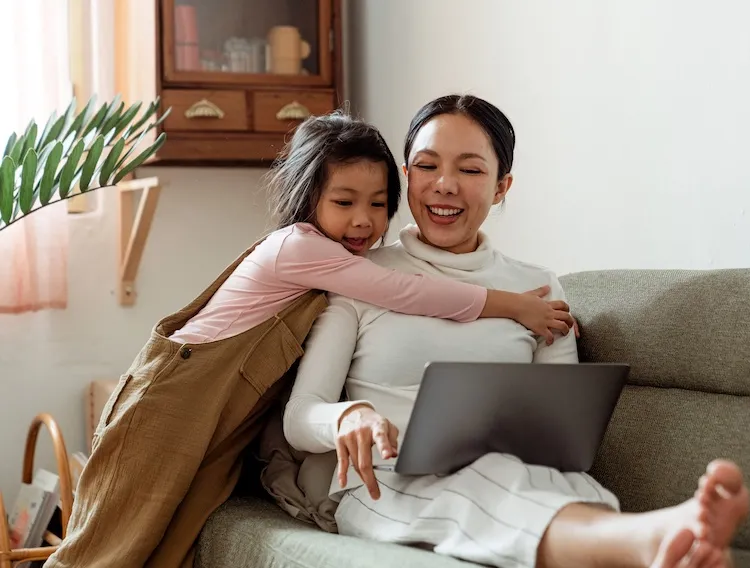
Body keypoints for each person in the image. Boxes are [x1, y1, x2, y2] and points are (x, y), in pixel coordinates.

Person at [45, 113, 577, 568]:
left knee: (174, 538)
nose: (363, 221)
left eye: (376, 203)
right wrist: (515, 306)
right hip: (178, 395)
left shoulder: (336, 261)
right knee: (110, 541)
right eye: (344, 202)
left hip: (230, 409)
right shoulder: (299, 248)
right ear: (308, 197)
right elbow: (406, 290)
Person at [283, 95, 750, 568]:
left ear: (502, 186)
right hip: (386, 483)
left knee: (553, 489)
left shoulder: (538, 290)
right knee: (488, 492)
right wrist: (346, 419)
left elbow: (561, 439)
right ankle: (659, 538)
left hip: (519, 475)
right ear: (407, 176)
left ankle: (666, 546)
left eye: (469, 170)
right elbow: (300, 415)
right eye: (427, 166)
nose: (444, 186)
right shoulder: (361, 277)